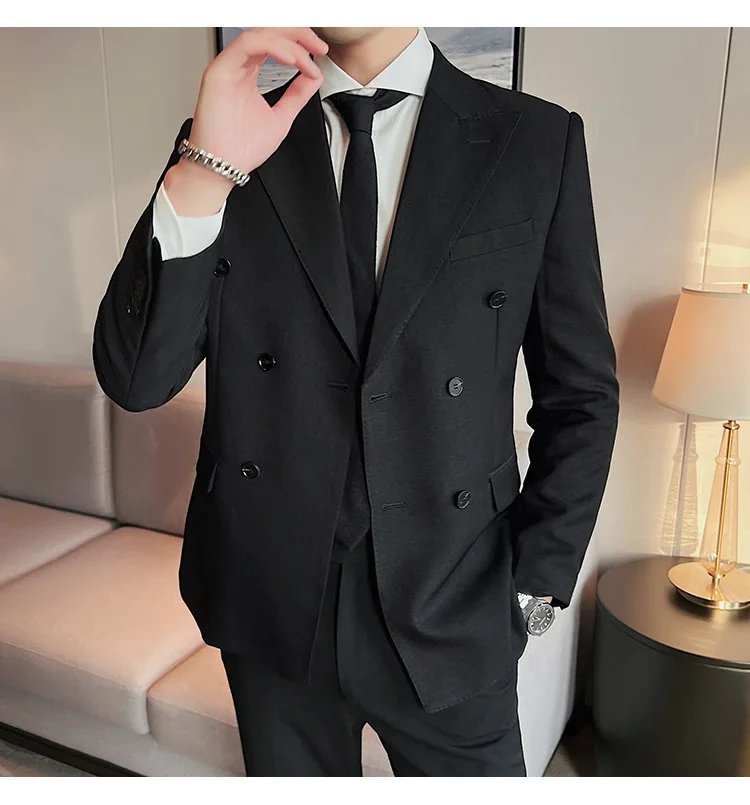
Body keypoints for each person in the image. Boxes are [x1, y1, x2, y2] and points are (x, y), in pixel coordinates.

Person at [92, 26, 619, 776]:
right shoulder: (228, 138)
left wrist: (539, 576)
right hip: (271, 599)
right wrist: (203, 171)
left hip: (454, 597)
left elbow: (581, 394)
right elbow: (137, 379)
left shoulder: (534, 139)